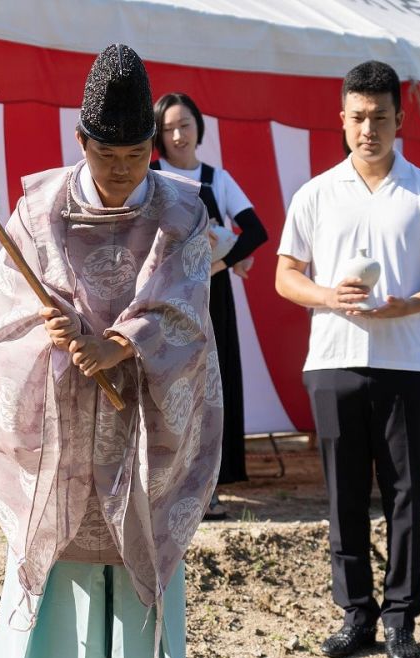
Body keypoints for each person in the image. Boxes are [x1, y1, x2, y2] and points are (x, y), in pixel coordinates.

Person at [0, 44, 222, 658]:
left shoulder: (182, 211)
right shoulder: (37, 213)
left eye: (136, 157)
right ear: (80, 142)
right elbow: (7, 316)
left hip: (148, 407)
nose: (121, 173)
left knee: (143, 540)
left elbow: (187, 307)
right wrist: (53, 337)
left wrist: (121, 343)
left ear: (153, 147)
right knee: (78, 549)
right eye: (107, 157)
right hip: (67, 413)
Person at [274, 60, 420, 658]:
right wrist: (329, 296)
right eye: (357, 118)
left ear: (399, 119)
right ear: (342, 119)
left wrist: (411, 304)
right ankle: (355, 615)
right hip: (332, 360)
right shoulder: (315, 194)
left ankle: (401, 619)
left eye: (380, 118)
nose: (368, 129)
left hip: (406, 362)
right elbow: (285, 276)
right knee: (344, 493)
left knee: (407, 491)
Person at [150, 92, 269, 520]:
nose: (179, 135)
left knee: (213, 389)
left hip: (213, 300)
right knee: (173, 387)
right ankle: (169, 486)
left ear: (200, 126)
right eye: (169, 128)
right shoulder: (153, 176)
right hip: (167, 299)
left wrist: (221, 264)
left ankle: (210, 487)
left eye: (185, 124)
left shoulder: (218, 178)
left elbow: (256, 231)